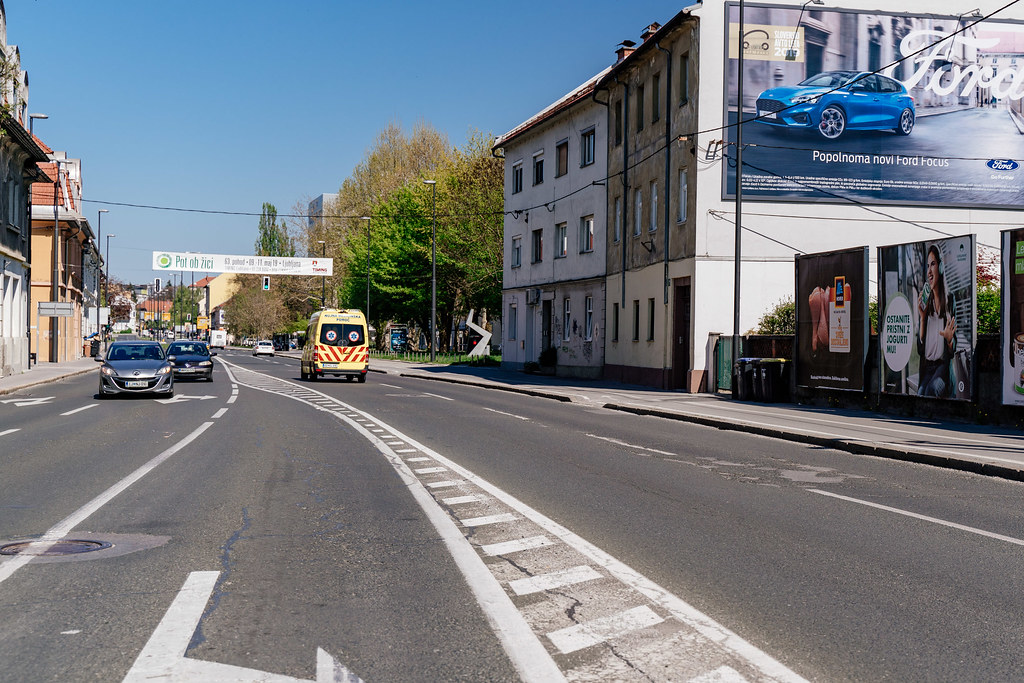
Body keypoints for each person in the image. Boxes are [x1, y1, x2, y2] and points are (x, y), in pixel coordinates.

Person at [917, 244, 956, 397]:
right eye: (927, 266)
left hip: (942, 366)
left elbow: (953, 350)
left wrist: (949, 340)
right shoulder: (926, 304)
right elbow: (920, 350)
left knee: (930, 391)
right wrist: (922, 318)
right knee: (920, 394)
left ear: (940, 267)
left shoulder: (950, 300)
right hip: (928, 367)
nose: (929, 272)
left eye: (932, 264)